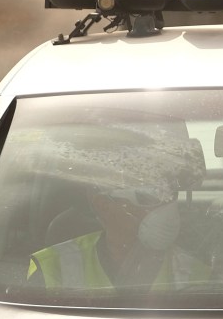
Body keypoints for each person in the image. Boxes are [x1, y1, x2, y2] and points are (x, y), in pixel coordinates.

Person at [28, 123, 209, 291]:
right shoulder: (52, 268)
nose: (167, 206)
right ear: (105, 205)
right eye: (148, 196)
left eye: (170, 194)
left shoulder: (197, 274)